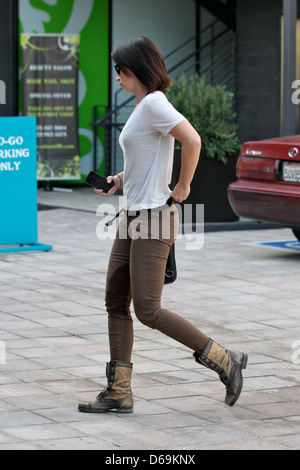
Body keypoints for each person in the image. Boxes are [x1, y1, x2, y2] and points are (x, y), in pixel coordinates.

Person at [78, 36, 247, 414]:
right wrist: (119, 179)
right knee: (115, 301)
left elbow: (193, 140)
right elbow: (148, 157)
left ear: (135, 70)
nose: (117, 77)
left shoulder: (154, 103)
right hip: (132, 215)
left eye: (120, 70)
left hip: (154, 217)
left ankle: (225, 359)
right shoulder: (143, 107)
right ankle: (119, 391)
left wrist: (183, 186)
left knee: (148, 309)